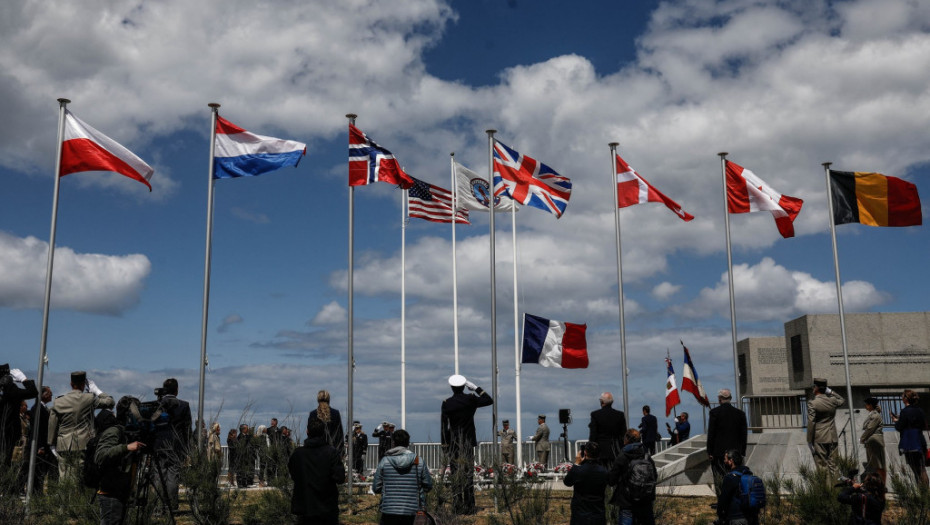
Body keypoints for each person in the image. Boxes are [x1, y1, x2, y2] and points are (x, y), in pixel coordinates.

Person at [440, 374, 493, 515]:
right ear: (464, 386)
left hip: (453, 443)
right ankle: (469, 506)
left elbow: (444, 426)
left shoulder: (447, 403)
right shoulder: (470, 399)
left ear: (452, 387)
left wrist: (445, 445)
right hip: (468, 441)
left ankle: (457, 506)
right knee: (468, 474)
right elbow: (488, 400)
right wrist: (476, 388)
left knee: (456, 474)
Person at [48, 371, 114, 480]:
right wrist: (96, 390)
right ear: (84, 384)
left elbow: (52, 424)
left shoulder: (58, 401)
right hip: (82, 444)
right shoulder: (89, 398)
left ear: (71, 384)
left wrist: (51, 443)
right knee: (79, 478)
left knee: (64, 478)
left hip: (63, 444)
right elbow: (110, 402)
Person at [95, 396, 146, 525]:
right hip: (111, 492)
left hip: (122, 490)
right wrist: (126, 447)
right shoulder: (114, 431)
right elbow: (100, 455)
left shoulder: (129, 433)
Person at [288, 418, 346, 525]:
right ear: (324, 432)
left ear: (307, 432)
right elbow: (340, 478)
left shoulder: (298, 454)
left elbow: (293, 475)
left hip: (304, 507)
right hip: (327, 508)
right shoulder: (331, 453)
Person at [373, 428, 434, 525]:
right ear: (408, 443)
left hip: (388, 510)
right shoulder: (418, 460)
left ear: (393, 443)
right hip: (413, 511)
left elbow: (376, 488)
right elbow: (428, 485)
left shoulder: (385, 461)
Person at [153, 377, 191, 511]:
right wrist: (186, 449)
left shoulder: (157, 405)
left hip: (158, 444)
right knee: (173, 476)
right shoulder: (184, 405)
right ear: (177, 390)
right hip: (176, 446)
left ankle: (158, 506)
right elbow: (187, 429)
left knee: (159, 475)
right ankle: (172, 506)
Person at [608, 429, 657, 525]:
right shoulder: (646, 456)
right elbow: (654, 476)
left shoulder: (623, 456)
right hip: (645, 500)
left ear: (627, 439)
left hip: (627, 502)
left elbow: (611, 480)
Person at [0, 364, 38, 468]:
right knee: (6, 464)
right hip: (9, 433)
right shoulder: (12, 391)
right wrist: (23, 379)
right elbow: (33, 392)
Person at [707, 389, 748, 481]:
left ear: (719, 398)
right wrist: (742, 452)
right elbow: (744, 435)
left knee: (719, 478)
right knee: (736, 478)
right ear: (730, 398)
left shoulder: (714, 413)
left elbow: (711, 433)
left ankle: (722, 495)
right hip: (735, 453)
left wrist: (710, 451)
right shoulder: (740, 414)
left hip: (718, 452)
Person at [563, 441, 608, 525]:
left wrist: (576, 463)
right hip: (598, 512)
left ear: (585, 453)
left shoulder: (579, 471)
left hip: (580, 513)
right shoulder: (604, 471)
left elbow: (567, 482)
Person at [891, 389, 929, 486]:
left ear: (906, 399)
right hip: (920, 442)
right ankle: (926, 493)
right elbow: (923, 424)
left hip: (910, 444)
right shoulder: (920, 410)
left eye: (902, 396)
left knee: (917, 470)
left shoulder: (904, 412)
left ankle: (923, 494)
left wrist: (896, 421)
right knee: (922, 468)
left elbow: (900, 427)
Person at [807, 378, 844, 473]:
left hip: (820, 438)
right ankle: (836, 487)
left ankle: (826, 488)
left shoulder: (813, 403)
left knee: (822, 467)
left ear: (816, 388)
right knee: (834, 466)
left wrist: (809, 440)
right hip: (832, 437)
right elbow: (842, 400)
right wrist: (831, 392)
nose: (812, 389)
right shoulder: (832, 400)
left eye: (813, 387)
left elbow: (811, 422)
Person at [716, 449, 758, 525]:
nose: (724, 461)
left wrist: (720, 514)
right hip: (752, 517)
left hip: (737, 518)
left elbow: (723, 500)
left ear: (731, 461)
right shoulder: (749, 475)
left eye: (725, 459)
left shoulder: (730, 478)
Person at [26, 386, 55, 494]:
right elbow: (38, 429)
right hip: (39, 446)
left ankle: (37, 494)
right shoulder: (38, 409)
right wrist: (40, 446)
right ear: (44, 395)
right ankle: (35, 494)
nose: (51, 395)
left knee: (40, 473)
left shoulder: (41, 408)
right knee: (37, 472)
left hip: (41, 445)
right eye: (50, 393)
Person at [589, 392, 627, 466]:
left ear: (602, 402)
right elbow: (624, 433)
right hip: (616, 449)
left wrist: (590, 449)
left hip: (600, 450)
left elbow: (593, 434)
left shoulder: (595, 414)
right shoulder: (620, 415)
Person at [309, 390, 344, 456]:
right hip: (332, 450)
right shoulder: (335, 413)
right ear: (329, 400)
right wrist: (341, 452)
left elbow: (309, 434)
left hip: (316, 451)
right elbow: (339, 434)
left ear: (318, 400)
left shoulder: (313, 414)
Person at [859, 397, 885, 482]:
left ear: (870, 405)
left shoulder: (875, 415)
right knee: (873, 464)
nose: (865, 406)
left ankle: (881, 485)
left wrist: (862, 438)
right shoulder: (872, 414)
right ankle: (876, 484)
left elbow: (870, 428)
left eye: (866, 404)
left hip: (875, 441)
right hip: (870, 441)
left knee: (878, 465)